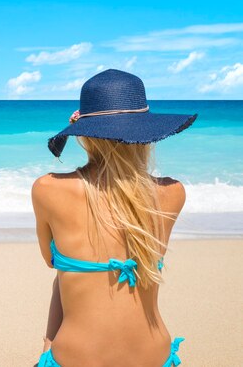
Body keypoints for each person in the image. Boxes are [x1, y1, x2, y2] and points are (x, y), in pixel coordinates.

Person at [31, 69, 197, 366]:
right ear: (146, 133)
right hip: (154, 355)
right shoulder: (173, 193)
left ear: (84, 134)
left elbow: (53, 264)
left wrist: (48, 342)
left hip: (75, 357)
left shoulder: (48, 190)